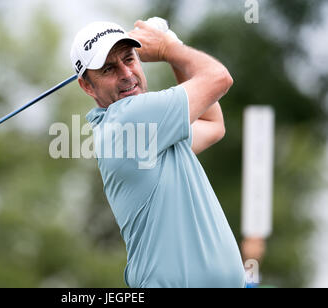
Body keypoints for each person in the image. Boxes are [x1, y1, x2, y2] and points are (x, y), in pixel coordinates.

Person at [70, 19, 246, 288]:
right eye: (108, 69)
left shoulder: (156, 131)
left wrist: (174, 50)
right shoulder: (129, 119)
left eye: (129, 59)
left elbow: (213, 125)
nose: (127, 73)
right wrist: (168, 48)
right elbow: (220, 78)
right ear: (87, 86)